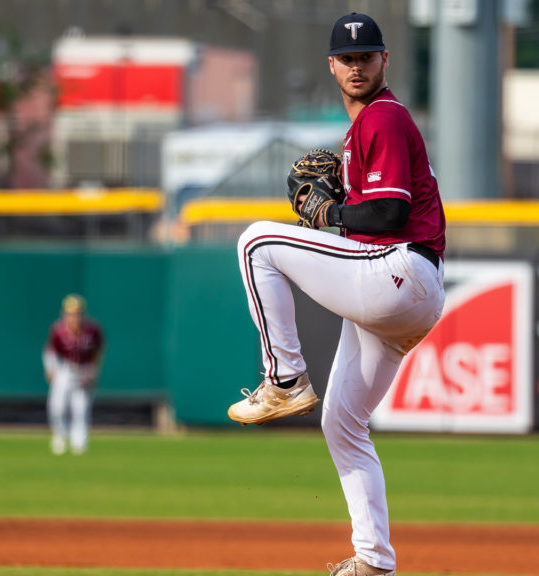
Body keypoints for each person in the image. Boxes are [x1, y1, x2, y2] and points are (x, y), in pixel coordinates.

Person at [228, 12, 446, 576]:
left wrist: (330, 212)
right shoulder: (361, 131)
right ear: (332, 65)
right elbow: (373, 214)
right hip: (405, 296)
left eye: (366, 56)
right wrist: (342, 204)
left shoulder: (384, 118)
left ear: (384, 61)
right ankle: (374, 561)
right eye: (347, 59)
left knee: (257, 243)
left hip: (398, 271)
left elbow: (392, 213)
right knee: (343, 422)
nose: (356, 66)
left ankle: (285, 378)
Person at [43, 294, 105, 455]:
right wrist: (51, 368)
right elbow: (50, 351)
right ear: (64, 313)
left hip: (84, 369)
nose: (74, 317)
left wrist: (94, 371)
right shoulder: (58, 329)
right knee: (57, 406)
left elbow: (98, 351)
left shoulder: (92, 329)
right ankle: (60, 436)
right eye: (70, 313)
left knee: (81, 408)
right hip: (65, 369)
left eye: (77, 313)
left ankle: (79, 441)